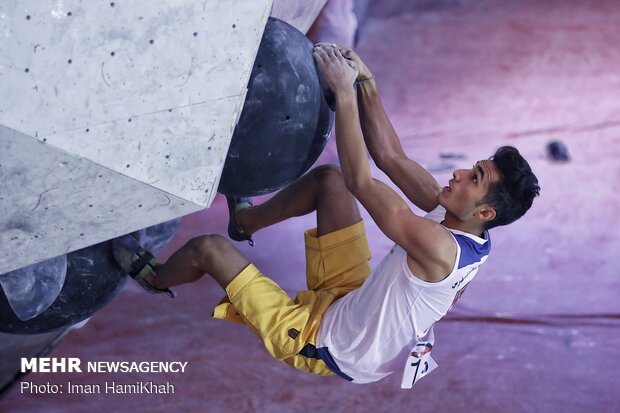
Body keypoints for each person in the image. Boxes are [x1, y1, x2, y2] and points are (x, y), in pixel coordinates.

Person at [112, 44, 540, 386]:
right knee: (329, 182)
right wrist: (367, 82)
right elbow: (390, 156)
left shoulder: (438, 247)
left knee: (207, 249)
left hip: (327, 345)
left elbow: (364, 181)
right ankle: (245, 222)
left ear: (484, 209)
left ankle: (155, 278)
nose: (460, 172)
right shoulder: (466, 223)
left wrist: (345, 92)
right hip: (349, 300)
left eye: (475, 176)